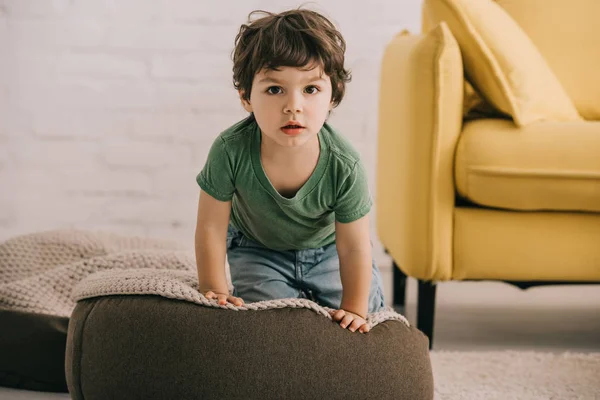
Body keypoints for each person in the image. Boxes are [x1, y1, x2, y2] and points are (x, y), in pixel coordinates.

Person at [195, 8, 385, 334]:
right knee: (267, 319)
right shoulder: (230, 150)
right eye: (274, 89)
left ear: (333, 97)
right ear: (246, 97)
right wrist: (216, 291)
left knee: (365, 307)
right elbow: (211, 228)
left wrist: (354, 309)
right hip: (258, 249)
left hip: (327, 251)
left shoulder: (345, 163)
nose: (293, 105)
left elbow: (354, 246)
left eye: (310, 89)